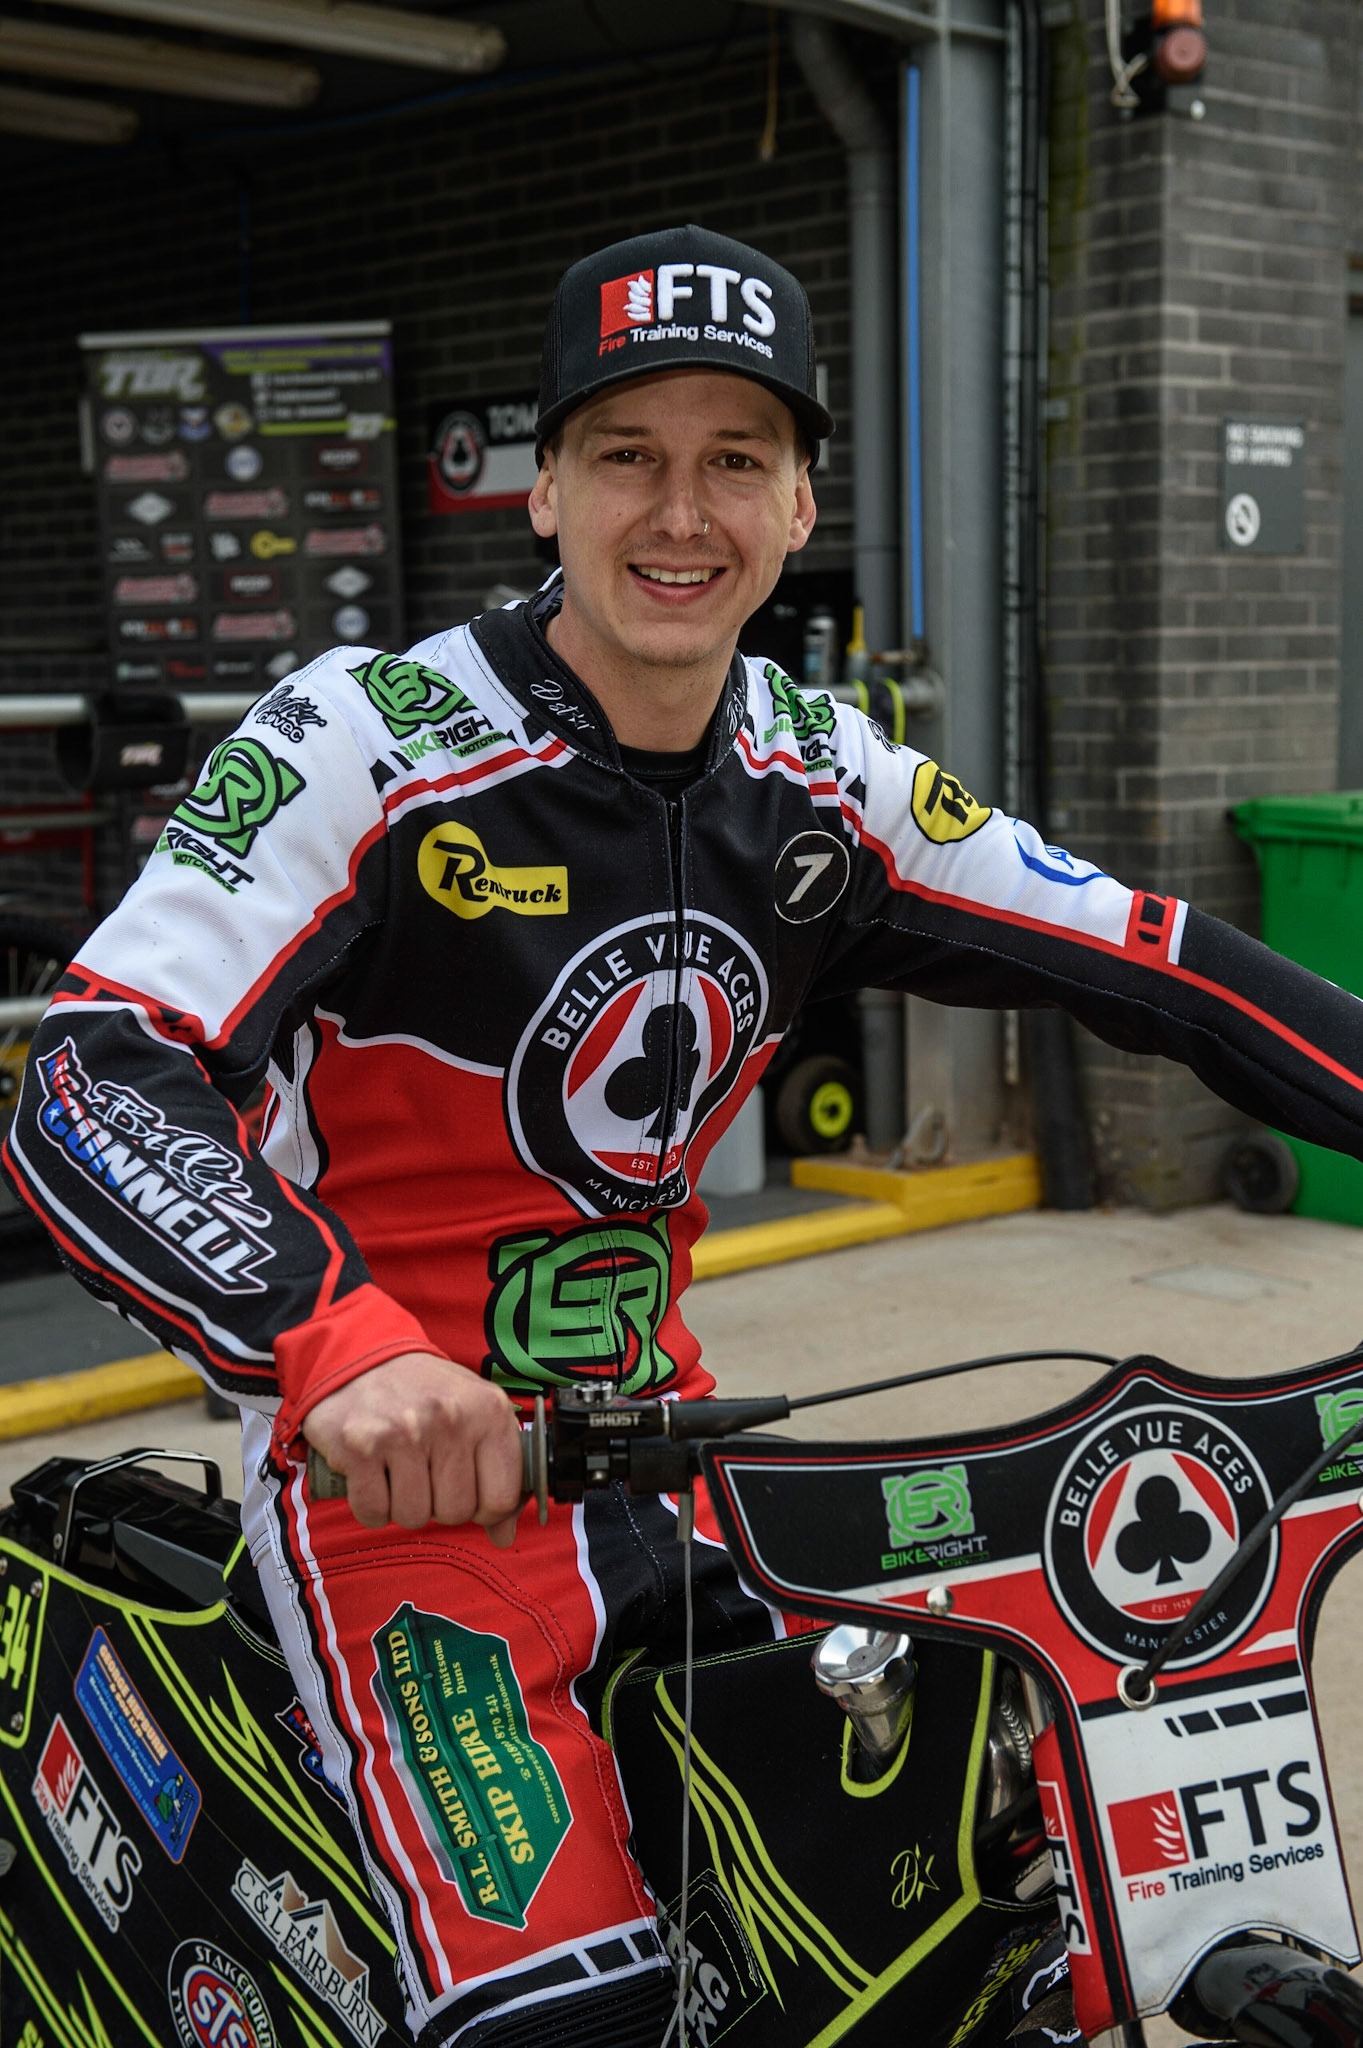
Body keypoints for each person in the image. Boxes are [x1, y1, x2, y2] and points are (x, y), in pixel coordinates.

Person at [8, 222, 1363, 2048]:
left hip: (684, 1469)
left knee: (939, 1930)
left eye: (738, 459)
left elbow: (1169, 970)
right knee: (572, 2015)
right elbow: (94, 1071)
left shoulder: (832, 771)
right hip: (397, 1504)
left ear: (802, 504)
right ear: (547, 488)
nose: (682, 512)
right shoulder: (368, 743)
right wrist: (336, 1357)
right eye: (630, 452)